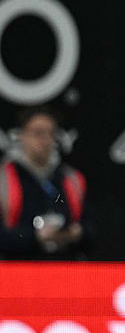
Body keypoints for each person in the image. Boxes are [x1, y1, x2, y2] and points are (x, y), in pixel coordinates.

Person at [0, 106, 92, 259]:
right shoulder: (4, 179)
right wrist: (35, 237)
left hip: (64, 271)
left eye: (51, 134)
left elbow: (91, 231)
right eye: (38, 133)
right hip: (17, 272)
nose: (45, 140)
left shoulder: (71, 179)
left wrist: (75, 234)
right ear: (22, 135)